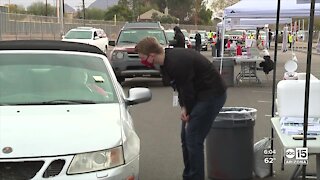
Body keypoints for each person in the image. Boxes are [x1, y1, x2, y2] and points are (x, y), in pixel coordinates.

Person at [135, 37, 227, 180]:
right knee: (185, 138)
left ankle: (195, 176)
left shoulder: (177, 63)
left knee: (193, 138)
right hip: (197, 95)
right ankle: (189, 175)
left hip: (212, 94)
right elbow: (180, 88)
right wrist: (184, 108)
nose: (142, 61)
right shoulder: (166, 62)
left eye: (142, 58)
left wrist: (188, 111)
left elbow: (187, 90)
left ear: (151, 55)